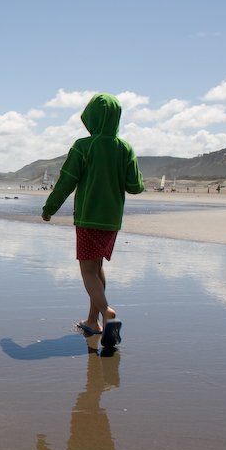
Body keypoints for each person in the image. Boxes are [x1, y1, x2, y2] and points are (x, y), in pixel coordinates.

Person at [41, 94, 144, 346]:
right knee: (97, 268)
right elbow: (135, 186)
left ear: (91, 118)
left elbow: (66, 181)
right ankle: (92, 321)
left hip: (88, 218)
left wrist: (49, 208)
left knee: (87, 271)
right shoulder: (125, 147)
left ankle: (107, 312)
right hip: (111, 221)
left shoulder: (83, 146)